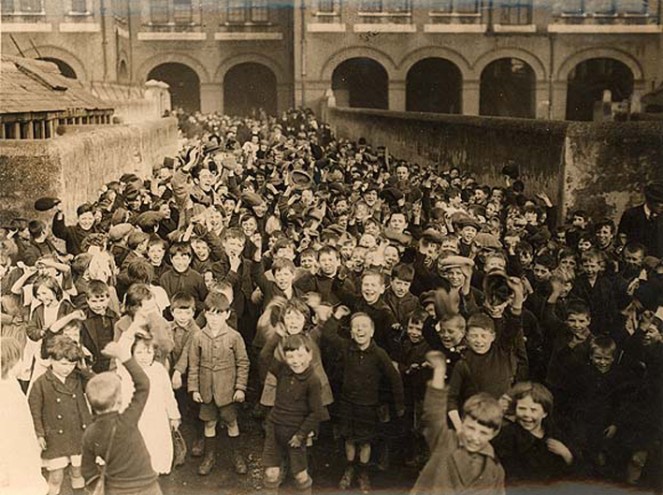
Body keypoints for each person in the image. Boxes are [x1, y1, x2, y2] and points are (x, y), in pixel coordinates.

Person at [321, 308, 405, 492]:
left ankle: (363, 472)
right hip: (347, 404)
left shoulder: (379, 353)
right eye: (356, 327)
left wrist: (399, 405)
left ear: (372, 331)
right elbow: (328, 335)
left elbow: (394, 378)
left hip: (368, 406)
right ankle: (350, 469)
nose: (360, 330)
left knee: (365, 441)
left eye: (364, 326)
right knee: (349, 439)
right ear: (351, 332)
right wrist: (335, 316)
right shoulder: (346, 347)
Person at [82, 322, 162, 495]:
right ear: (119, 401)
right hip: (146, 487)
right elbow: (143, 384)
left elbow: (87, 471)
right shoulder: (127, 421)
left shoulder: (90, 434)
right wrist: (124, 356)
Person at [411, 350, 505, 495]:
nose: (474, 436)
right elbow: (433, 413)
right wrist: (439, 371)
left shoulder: (494, 470)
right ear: (462, 421)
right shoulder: (445, 440)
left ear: (494, 434)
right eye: (470, 428)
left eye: (483, 432)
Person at [188, 292, 250, 476]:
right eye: (211, 313)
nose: (214, 318)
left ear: (227, 314)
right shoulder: (198, 337)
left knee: (231, 422)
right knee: (209, 423)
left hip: (228, 391)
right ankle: (210, 456)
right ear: (205, 314)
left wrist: (240, 388)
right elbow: (194, 365)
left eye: (219, 313)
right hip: (206, 391)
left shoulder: (234, 337)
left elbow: (243, 363)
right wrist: (194, 388)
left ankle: (236, 455)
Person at [28, 334, 93, 495]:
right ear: (50, 360)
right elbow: (34, 411)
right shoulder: (41, 383)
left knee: (78, 472)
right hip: (55, 437)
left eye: (71, 364)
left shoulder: (77, 378)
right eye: (63, 364)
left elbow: (97, 385)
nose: (67, 368)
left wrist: (83, 369)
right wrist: (39, 434)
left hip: (78, 432)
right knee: (56, 476)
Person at [261, 334, 324, 495]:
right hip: (275, 428)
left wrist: (301, 435)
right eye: (290, 356)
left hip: (296, 433)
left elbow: (316, 412)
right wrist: (277, 336)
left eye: (300, 355)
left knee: (300, 475)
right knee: (271, 473)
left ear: (310, 355)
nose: (296, 361)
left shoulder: (313, 380)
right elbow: (264, 356)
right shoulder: (283, 370)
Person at [117, 333, 181, 474]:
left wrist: (174, 415)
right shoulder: (125, 370)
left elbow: (168, 395)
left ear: (154, 353)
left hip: (156, 417)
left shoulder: (159, 370)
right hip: (134, 418)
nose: (144, 357)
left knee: (155, 448)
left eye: (148, 352)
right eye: (139, 352)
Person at [493, 381, 575, 485]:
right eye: (522, 409)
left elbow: (573, 472)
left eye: (533, 410)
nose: (527, 414)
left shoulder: (554, 434)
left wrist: (567, 454)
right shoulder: (507, 435)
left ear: (544, 413)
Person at [0, 336, 49, 495]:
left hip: (22, 451)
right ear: (12, 360)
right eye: (21, 358)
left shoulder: (12, 382)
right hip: (10, 457)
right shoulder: (4, 391)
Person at [618, 181, 663, 258]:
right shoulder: (631, 215)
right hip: (634, 261)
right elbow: (622, 238)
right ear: (650, 201)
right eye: (660, 203)